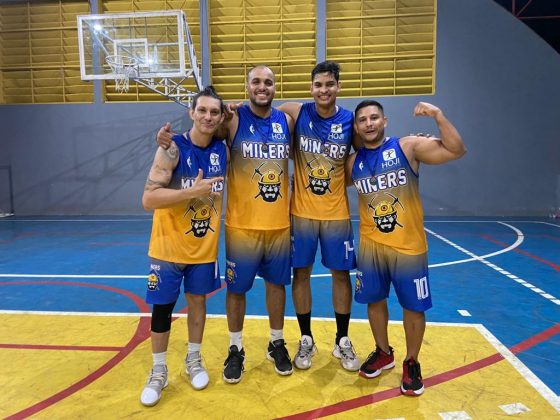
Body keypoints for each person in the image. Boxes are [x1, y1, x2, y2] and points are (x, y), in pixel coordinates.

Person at [157, 65, 295, 384]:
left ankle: (276, 342)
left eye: (268, 82)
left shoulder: (286, 121)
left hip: (278, 225)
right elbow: (203, 131)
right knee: (237, 290)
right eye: (256, 81)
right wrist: (167, 140)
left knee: (277, 286)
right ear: (247, 86)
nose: (262, 87)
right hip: (241, 225)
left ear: (275, 87)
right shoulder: (232, 119)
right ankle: (236, 348)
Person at [346, 100, 466, 396]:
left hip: (408, 246)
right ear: (357, 128)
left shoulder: (408, 147)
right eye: (362, 120)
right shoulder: (352, 163)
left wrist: (438, 115)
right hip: (371, 246)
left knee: (413, 307)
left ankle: (412, 362)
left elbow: (456, 149)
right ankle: (383, 351)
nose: (369, 123)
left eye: (374, 117)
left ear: (385, 121)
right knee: (374, 301)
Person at [140, 86, 227, 406]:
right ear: (191, 113)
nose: (207, 117)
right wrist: (190, 192)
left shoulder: (223, 149)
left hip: (203, 249)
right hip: (167, 249)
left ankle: (194, 359)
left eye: (214, 112)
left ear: (220, 117)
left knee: (198, 302)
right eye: (202, 110)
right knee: (162, 309)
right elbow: (149, 199)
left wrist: (232, 109)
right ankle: (158, 371)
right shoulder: (172, 149)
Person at [275, 61, 359, 371]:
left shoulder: (349, 120)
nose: (324, 90)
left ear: (338, 86)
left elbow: (366, 153)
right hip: (301, 213)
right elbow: (262, 119)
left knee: (341, 275)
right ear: (311, 88)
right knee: (301, 274)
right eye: (318, 85)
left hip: (336, 214)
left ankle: (342, 339)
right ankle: (306, 338)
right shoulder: (296, 112)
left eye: (329, 84)